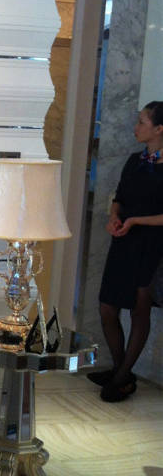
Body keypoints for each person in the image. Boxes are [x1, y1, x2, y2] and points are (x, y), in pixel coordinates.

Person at [88, 100, 163, 402]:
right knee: (107, 306)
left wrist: (135, 221)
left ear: (159, 129)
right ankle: (122, 372)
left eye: (142, 122)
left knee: (139, 307)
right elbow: (119, 197)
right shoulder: (135, 160)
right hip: (124, 240)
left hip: (153, 245)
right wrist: (115, 217)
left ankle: (121, 377)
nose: (136, 127)